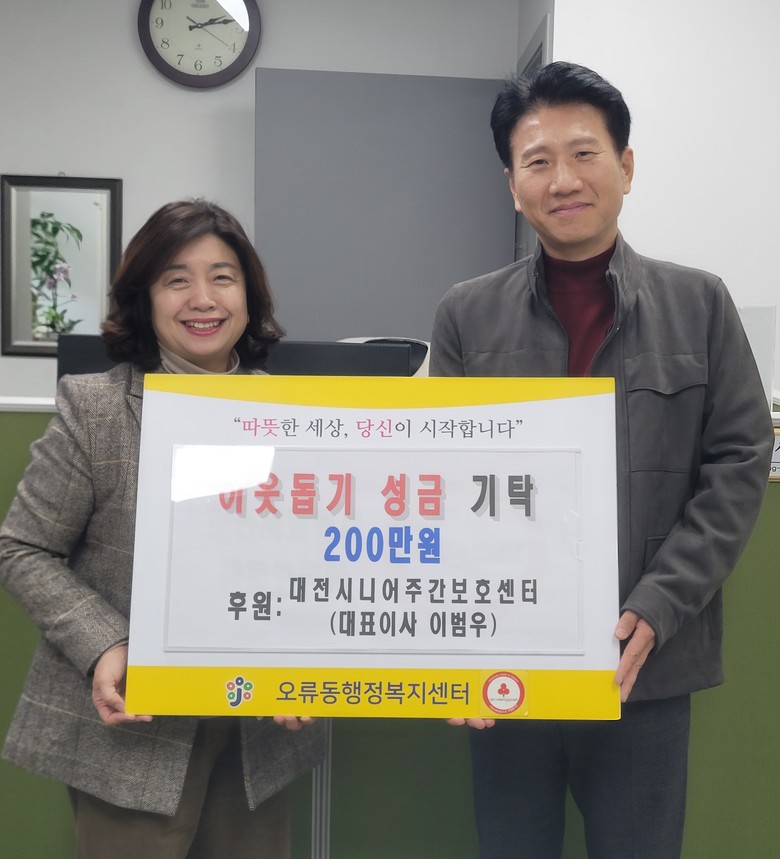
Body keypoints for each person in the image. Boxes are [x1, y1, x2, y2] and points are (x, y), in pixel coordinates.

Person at [430, 62, 773, 859]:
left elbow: (739, 459)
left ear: (626, 165)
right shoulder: (465, 315)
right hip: (508, 661)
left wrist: (658, 604)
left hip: (645, 662)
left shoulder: (700, 303)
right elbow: (437, 481)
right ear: (512, 185)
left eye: (584, 153)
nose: (563, 179)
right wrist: (455, 642)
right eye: (537, 160)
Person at [0, 200, 325, 859]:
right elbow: (23, 547)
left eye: (223, 277)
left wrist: (313, 663)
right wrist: (106, 643)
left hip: (258, 730)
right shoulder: (96, 409)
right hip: (134, 728)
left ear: (249, 294)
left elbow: (321, 559)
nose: (202, 299)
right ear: (144, 298)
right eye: (177, 279)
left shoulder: (300, 413)